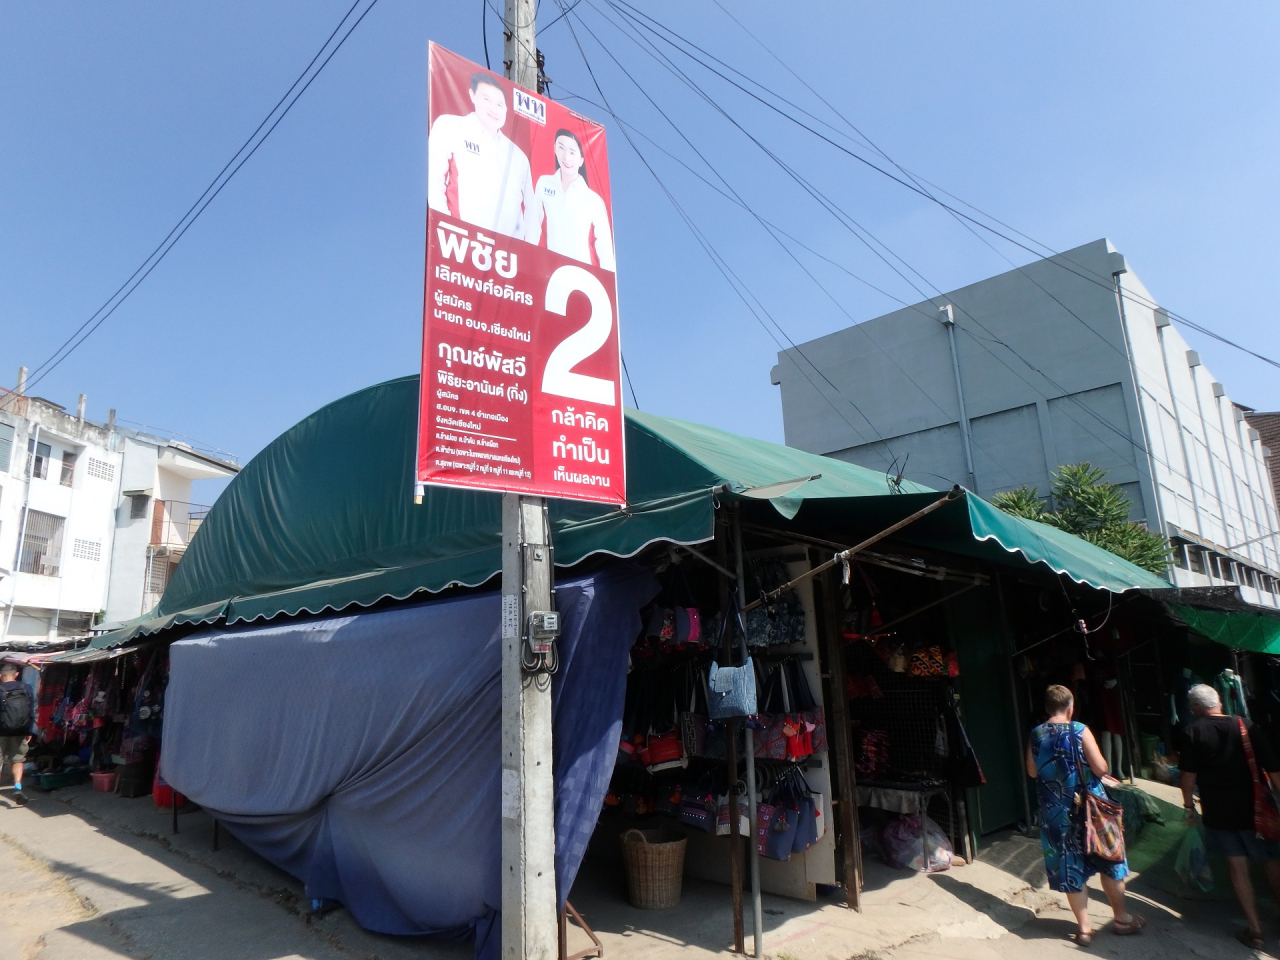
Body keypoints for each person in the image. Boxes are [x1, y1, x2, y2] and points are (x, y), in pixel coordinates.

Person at [1026, 684, 1145, 944]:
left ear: (1047, 708)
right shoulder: (1079, 730)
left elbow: (1032, 771)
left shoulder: (1036, 733)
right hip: (1091, 810)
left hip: (1055, 812)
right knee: (1109, 860)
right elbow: (1101, 767)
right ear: (1070, 708)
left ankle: (1084, 929)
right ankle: (1122, 918)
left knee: (1069, 866)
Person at [1180, 683, 1280, 950]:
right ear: (1219, 702)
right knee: (1272, 861)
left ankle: (1255, 930)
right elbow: (1273, 768)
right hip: (1258, 810)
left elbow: (1187, 775)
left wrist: (1188, 807)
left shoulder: (1192, 731)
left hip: (1219, 811)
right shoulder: (1246, 725)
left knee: (1238, 867)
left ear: (1195, 708)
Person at [427, 72, 535, 240]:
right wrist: (447, 231)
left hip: (510, 252)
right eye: (486, 99)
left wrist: (527, 248)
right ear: (472, 96)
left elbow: (532, 211)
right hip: (463, 243)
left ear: (506, 109)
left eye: (499, 104)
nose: (494, 109)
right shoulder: (450, 126)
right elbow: (435, 182)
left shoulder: (518, 156)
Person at [525, 129, 615, 271]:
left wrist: (606, 279)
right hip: (551, 270)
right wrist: (526, 261)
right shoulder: (544, 183)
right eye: (561, 148)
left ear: (581, 160)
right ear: (555, 149)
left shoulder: (593, 199)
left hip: (582, 273)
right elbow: (533, 226)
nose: (566, 157)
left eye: (572, 152)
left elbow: (604, 248)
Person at [0, 661, 34, 806]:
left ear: (0, 675)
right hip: (20, 730)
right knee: (18, 759)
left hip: (1, 731)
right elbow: (31, 710)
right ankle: (18, 787)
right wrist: (29, 730)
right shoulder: (26, 688)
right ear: (17, 674)